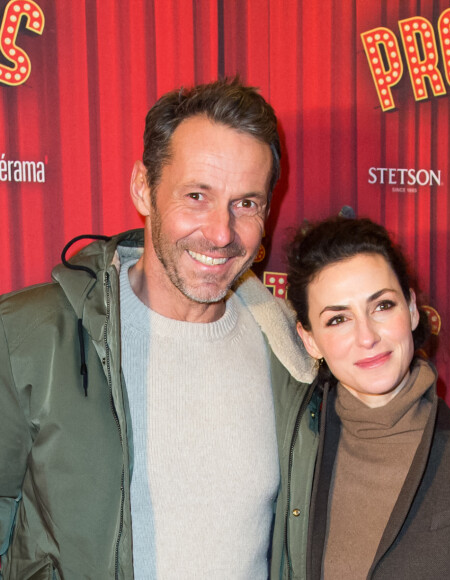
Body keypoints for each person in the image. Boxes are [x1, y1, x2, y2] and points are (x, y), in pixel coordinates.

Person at [0, 78, 317, 579]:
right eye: (197, 195)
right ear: (143, 188)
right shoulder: (28, 337)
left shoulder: (292, 356)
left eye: (247, 203)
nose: (220, 232)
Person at [277, 216, 450, 579]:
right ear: (309, 340)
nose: (367, 335)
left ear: (412, 309)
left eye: (382, 306)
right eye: (338, 319)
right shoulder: (290, 460)